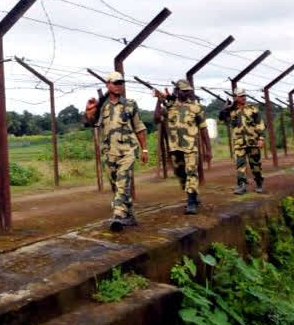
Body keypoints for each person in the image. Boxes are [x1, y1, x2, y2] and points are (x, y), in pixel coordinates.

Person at [82, 72, 148, 230]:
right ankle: (130, 215)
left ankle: (117, 215)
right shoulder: (101, 106)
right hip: (109, 152)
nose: (119, 86)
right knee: (116, 186)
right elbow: (89, 123)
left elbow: (139, 127)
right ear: (108, 84)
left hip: (128, 150)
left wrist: (144, 149)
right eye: (116, 83)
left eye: (121, 83)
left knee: (122, 181)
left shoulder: (130, 104)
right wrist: (88, 111)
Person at [154, 80, 212, 214]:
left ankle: (191, 202)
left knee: (191, 172)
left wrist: (208, 149)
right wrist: (158, 100)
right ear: (177, 91)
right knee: (180, 174)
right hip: (175, 148)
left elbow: (203, 129)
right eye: (184, 91)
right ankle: (193, 194)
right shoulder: (169, 107)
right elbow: (157, 119)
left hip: (190, 147)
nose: (187, 93)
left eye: (188, 91)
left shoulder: (196, 107)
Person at [219, 88, 266, 195]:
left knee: (256, 165)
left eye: (244, 95)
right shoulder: (231, 111)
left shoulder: (252, 109)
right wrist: (225, 108)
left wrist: (261, 138)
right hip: (239, 143)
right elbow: (221, 118)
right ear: (235, 98)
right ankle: (242, 186)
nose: (244, 98)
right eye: (241, 96)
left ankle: (259, 183)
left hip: (253, 142)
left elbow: (260, 124)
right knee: (240, 165)